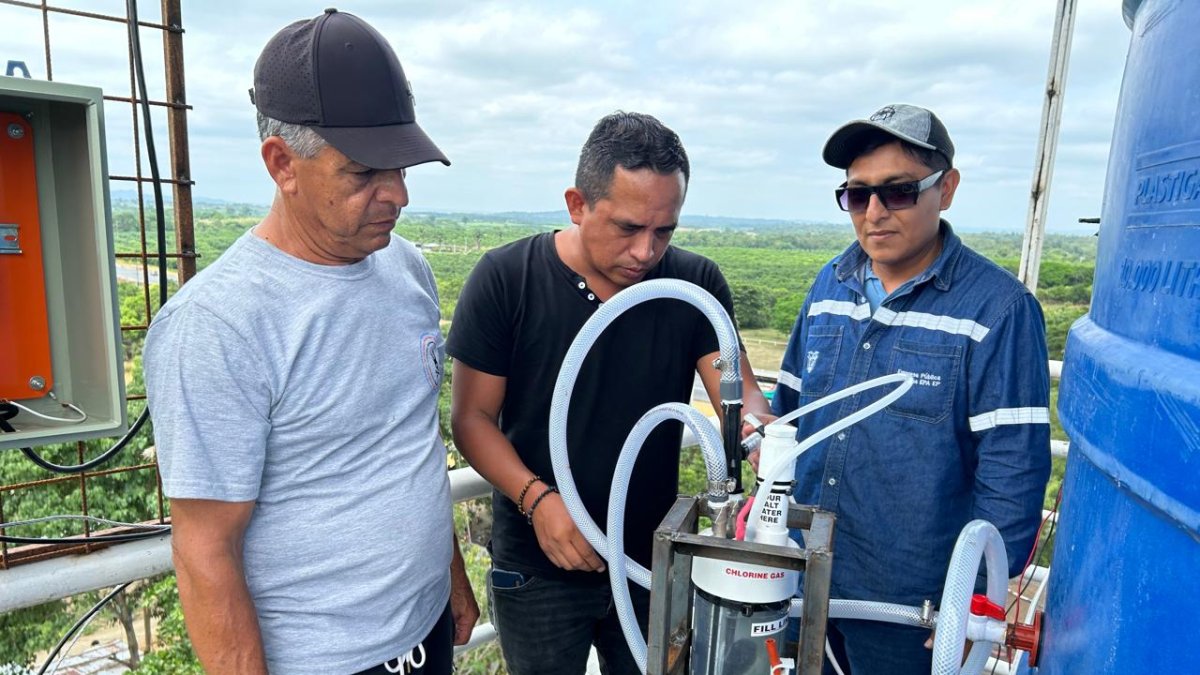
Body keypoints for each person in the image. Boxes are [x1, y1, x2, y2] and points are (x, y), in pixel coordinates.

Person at [143, 10, 478, 675]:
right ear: (282, 164)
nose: (398, 194)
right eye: (364, 173)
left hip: (425, 630)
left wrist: (450, 577)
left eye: (403, 167)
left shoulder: (406, 269)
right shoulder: (219, 325)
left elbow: (408, 442)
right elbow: (206, 547)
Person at [448, 111, 771, 675]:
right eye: (627, 228)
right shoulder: (506, 279)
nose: (647, 252)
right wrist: (538, 500)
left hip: (652, 561)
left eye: (664, 231)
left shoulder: (693, 286)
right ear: (577, 204)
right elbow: (472, 418)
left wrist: (762, 441)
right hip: (538, 567)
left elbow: (739, 399)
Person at [771, 104, 1051, 674]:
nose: (874, 212)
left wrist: (972, 605)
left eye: (897, 192)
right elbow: (790, 415)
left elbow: (1013, 473)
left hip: (913, 612)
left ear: (945, 189)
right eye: (856, 194)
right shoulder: (830, 283)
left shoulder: (998, 310)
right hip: (804, 586)